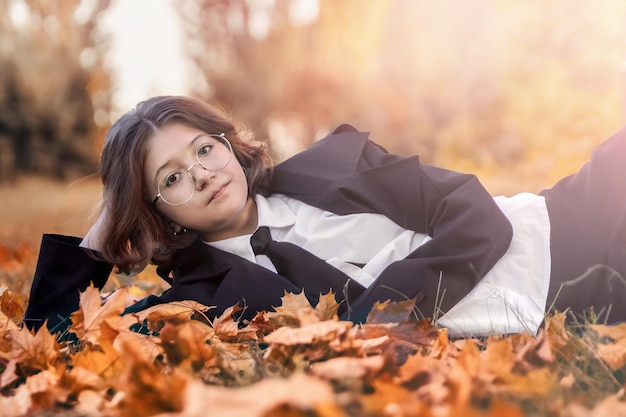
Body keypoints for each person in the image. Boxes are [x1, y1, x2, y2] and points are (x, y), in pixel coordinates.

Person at [22, 96, 626, 337]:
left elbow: (472, 210)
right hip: (548, 308)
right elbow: (58, 345)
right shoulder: (200, 300)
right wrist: (98, 247)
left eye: (204, 149)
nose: (202, 173)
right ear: (157, 211)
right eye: (171, 179)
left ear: (228, 144)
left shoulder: (332, 162)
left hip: (550, 234)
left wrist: (380, 312)